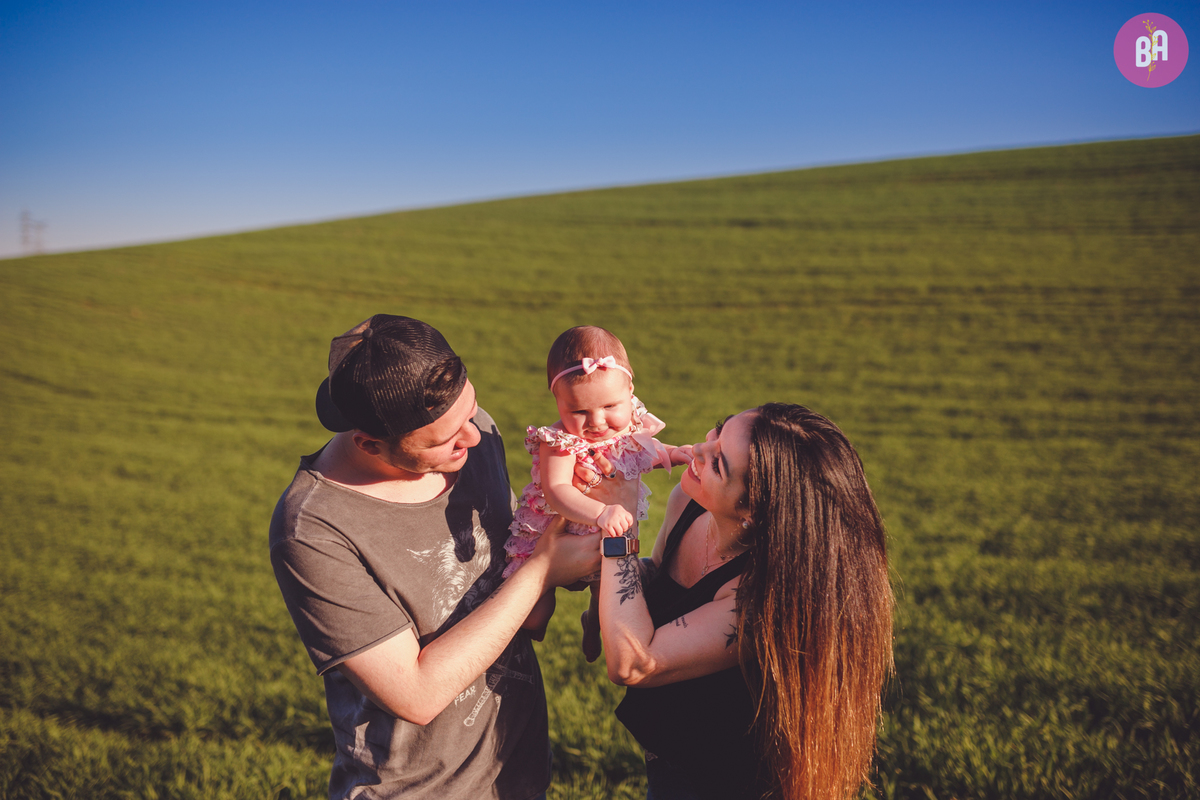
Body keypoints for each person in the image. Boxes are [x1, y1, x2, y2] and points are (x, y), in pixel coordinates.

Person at [268, 315, 603, 800]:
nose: (473, 436)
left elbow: (521, 599)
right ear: (370, 443)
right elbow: (416, 694)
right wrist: (543, 570)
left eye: (470, 412)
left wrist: (578, 526)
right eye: (444, 439)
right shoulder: (313, 529)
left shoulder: (475, 436)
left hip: (517, 771)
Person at [596, 403, 894, 800]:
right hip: (669, 753)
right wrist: (602, 602)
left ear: (753, 511)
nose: (699, 451)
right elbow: (660, 577)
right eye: (717, 432)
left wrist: (618, 526)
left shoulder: (762, 597)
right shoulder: (689, 503)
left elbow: (632, 662)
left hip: (727, 779)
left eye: (718, 463)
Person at [503, 326, 684, 662]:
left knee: (610, 607)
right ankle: (518, 651)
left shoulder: (629, 425)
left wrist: (675, 453)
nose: (597, 422)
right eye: (579, 411)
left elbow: (645, 453)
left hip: (609, 536)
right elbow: (557, 491)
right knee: (533, 617)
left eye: (610, 406)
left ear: (630, 390)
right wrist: (600, 513)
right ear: (557, 401)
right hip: (552, 536)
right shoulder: (559, 442)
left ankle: (592, 624)